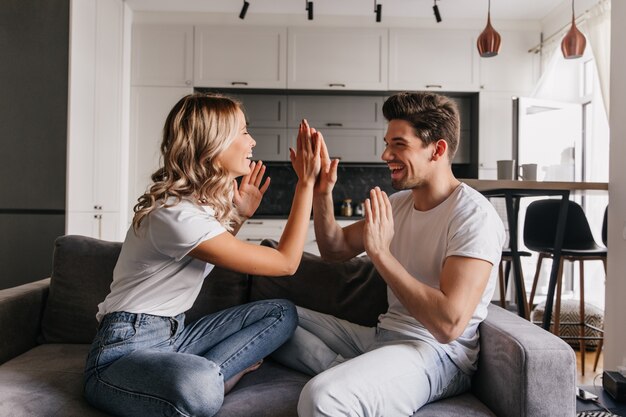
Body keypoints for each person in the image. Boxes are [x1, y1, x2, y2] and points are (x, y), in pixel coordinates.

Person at [83, 93, 321, 417]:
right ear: (214, 143)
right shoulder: (176, 215)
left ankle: (208, 375)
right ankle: (217, 376)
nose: (252, 141)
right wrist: (306, 184)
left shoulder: (196, 210)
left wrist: (239, 216)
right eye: (243, 132)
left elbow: (208, 253)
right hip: (123, 351)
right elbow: (286, 264)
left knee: (281, 313)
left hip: (175, 336)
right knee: (201, 386)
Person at [272, 91, 506, 416]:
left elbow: (448, 325)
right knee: (269, 318)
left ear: (437, 149)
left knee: (322, 397)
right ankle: (354, 373)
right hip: (383, 336)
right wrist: (321, 192)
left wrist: (381, 254)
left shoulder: (473, 216)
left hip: (437, 353)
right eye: (387, 142)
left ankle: (348, 380)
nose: (385, 154)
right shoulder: (398, 204)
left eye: (399, 144)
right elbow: (334, 248)